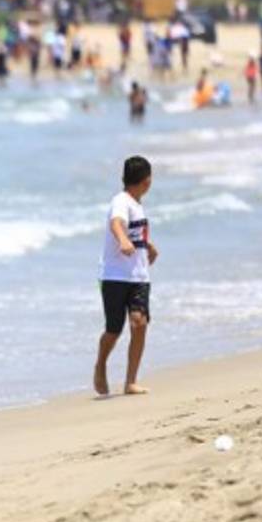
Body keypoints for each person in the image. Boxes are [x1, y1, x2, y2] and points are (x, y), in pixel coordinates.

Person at [94, 157, 158, 397]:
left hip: (139, 276)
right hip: (114, 276)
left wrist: (149, 246)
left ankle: (130, 381)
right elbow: (117, 224)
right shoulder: (120, 201)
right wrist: (122, 240)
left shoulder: (137, 204)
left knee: (139, 323)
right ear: (147, 180)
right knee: (114, 329)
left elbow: (134, 230)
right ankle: (100, 365)